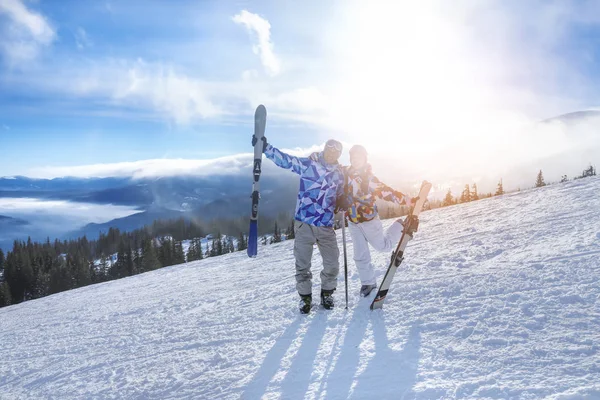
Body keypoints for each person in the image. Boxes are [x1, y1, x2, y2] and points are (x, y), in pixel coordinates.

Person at [253, 135, 345, 313]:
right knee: (302, 264)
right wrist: (266, 148)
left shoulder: (340, 174)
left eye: (336, 150)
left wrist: (343, 201)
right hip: (304, 223)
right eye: (329, 148)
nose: (331, 152)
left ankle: (327, 293)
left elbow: (345, 192)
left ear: (339, 154)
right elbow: (286, 161)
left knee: (332, 262)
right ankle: (305, 298)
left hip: (325, 225)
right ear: (325, 148)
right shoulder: (309, 164)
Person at [341, 145, 418, 297]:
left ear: (364, 159)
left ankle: (399, 225)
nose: (356, 160)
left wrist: (407, 201)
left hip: (369, 220)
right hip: (352, 221)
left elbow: (387, 192)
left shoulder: (368, 178)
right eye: (353, 157)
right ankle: (368, 282)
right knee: (360, 254)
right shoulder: (344, 174)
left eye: (359, 157)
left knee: (383, 247)